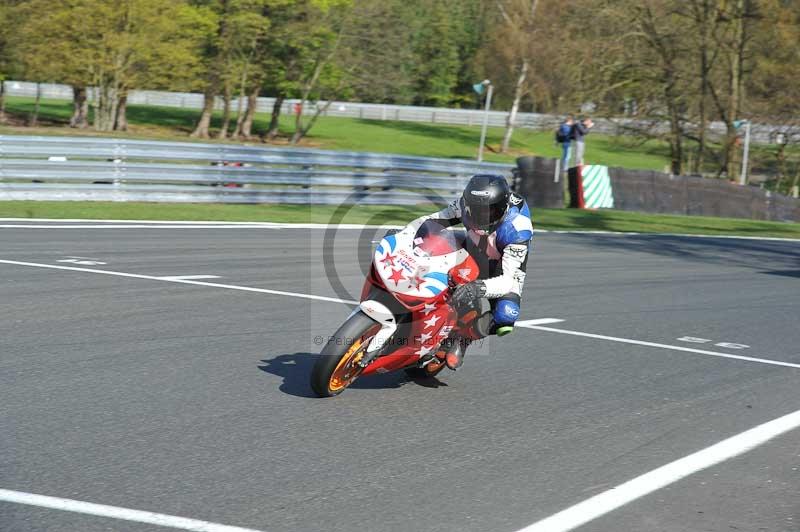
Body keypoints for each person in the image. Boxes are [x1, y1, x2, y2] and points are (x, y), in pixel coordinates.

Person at [397, 174, 533, 370]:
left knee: (506, 316)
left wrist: (477, 288)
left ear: (502, 208)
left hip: (503, 264)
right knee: (431, 247)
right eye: (475, 210)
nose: (481, 217)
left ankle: (462, 339)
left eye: (489, 211)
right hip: (473, 247)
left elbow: (507, 281)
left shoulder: (518, 228)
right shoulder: (463, 204)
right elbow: (435, 220)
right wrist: (405, 233)